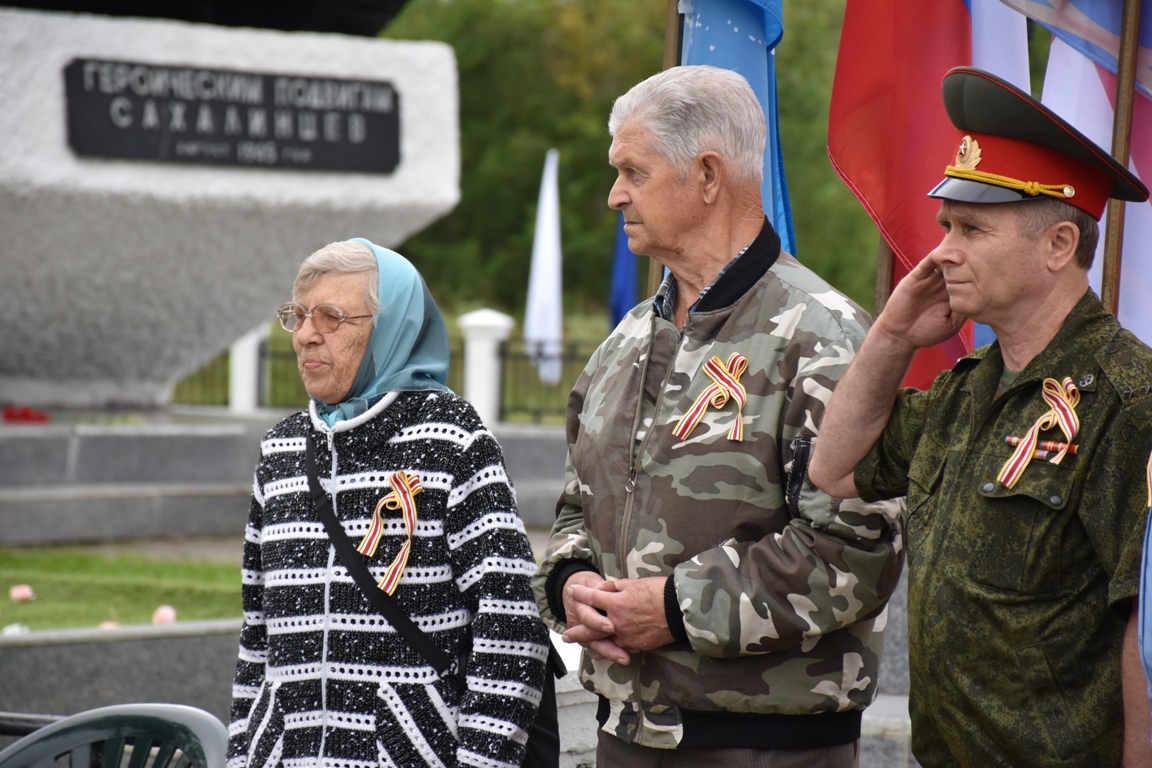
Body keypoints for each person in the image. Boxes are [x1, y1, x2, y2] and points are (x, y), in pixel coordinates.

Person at [532, 65, 904, 767]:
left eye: (633, 173)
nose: (615, 196)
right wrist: (570, 585)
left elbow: (855, 549)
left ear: (707, 176)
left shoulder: (825, 340)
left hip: (767, 747)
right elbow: (578, 508)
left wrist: (672, 609)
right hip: (625, 736)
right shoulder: (623, 344)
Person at [807, 67, 1152, 767]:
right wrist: (893, 337)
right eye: (946, 225)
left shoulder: (1128, 398)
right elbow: (834, 468)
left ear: (1058, 245)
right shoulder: (967, 390)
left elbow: (1145, 628)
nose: (942, 252)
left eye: (971, 228)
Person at [228, 238, 548, 768]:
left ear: (391, 327)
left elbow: (510, 627)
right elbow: (256, 636)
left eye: (331, 317)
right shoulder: (281, 450)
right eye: (300, 315)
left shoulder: (454, 443)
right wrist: (244, 755)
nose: (307, 334)